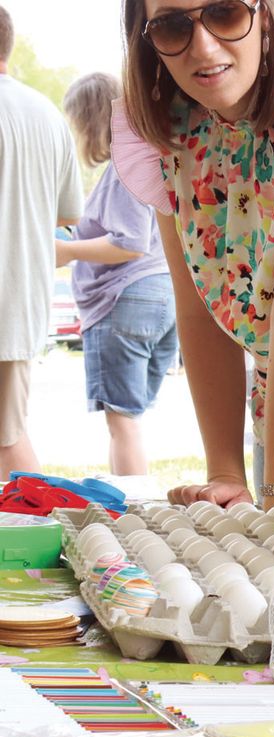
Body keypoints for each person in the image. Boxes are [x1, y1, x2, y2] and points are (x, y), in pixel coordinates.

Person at [114, 0, 274, 509]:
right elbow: (199, 310)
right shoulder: (170, 129)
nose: (202, 46)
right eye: (171, 25)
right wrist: (225, 471)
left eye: (224, 12)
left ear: (264, 13)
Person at [56, 72, 177, 476]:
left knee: (121, 422)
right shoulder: (147, 159)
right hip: (162, 296)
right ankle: (129, 500)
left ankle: (134, 507)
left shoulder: (125, 167)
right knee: (128, 419)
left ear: (88, 119)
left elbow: (130, 242)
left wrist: (66, 251)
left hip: (125, 299)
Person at [0, 4, 84, 480]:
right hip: (19, 303)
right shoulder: (47, 114)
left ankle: (43, 518)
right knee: (8, 434)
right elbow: (68, 214)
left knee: (8, 441)